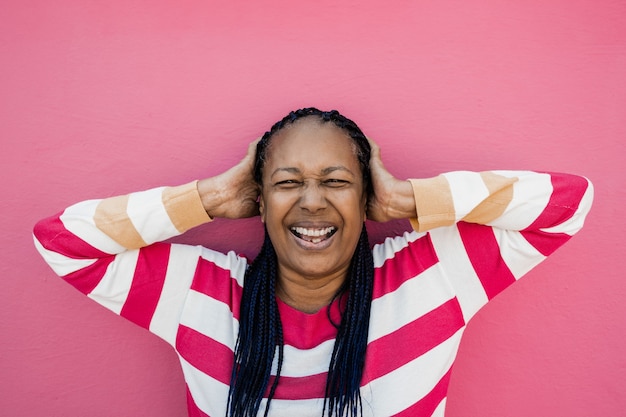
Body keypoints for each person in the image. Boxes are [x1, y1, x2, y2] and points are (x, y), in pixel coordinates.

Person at [33, 107, 594, 417]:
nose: (310, 202)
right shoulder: (200, 295)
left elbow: (566, 206)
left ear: (366, 197)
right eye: (286, 183)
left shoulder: (431, 280)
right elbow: (61, 241)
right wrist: (205, 199)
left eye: (336, 181)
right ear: (257, 198)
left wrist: (411, 200)